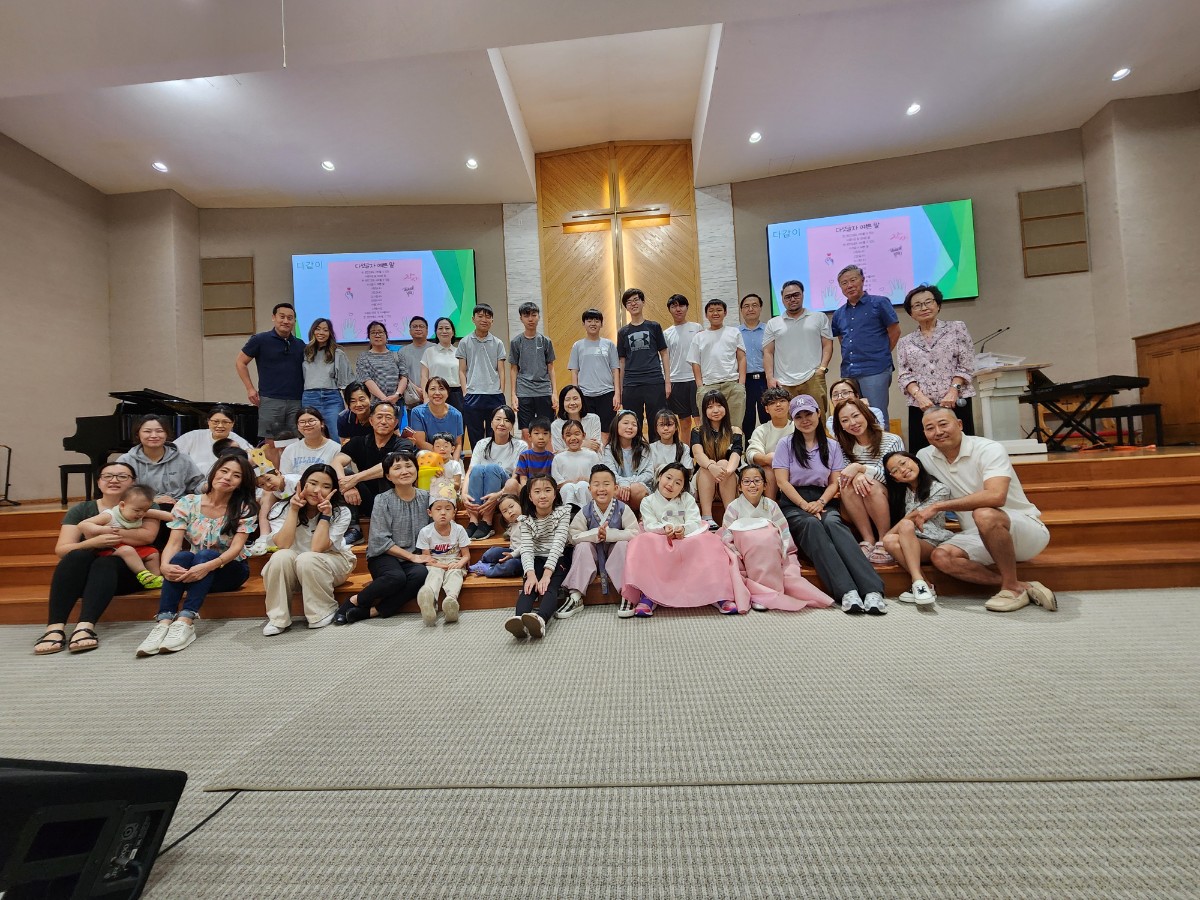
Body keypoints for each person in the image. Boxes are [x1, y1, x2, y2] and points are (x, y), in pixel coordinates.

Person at [915, 407, 1056, 613]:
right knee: (942, 557)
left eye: (943, 424)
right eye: (930, 428)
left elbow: (995, 496)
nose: (938, 432)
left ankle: (1011, 588)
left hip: (1022, 528)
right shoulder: (925, 456)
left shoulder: (988, 448)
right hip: (976, 534)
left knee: (984, 513)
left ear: (960, 424)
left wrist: (938, 506)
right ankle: (1021, 586)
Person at [773, 395, 887, 615]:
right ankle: (846, 591)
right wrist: (805, 505)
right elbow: (782, 482)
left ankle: (872, 590)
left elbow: (835, 482)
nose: (805, 420)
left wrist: (821, 502)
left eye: (809, 414)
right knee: (812, 525)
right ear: (793, 420)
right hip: (794, 501)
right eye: (799, 416)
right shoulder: (785, 444)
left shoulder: (832, 445)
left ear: (818, 414)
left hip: (824, 498)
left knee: (834, 523)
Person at [136, 455, 257, 656]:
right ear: (214, 472)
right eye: (224, 471)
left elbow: (236, 548)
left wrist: (207, 566)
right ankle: (164, 622)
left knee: (206, 555)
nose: (227, 477)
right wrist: (164, 566)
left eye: (236, 475)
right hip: (195, 569)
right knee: (181, 558)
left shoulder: (245, 507)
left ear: (241, 483)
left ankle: (185, 621)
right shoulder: (188, 502)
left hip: (230, 569)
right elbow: (174, 543)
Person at [35, 462, 151, 655]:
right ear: (98, 482)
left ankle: (85, 627)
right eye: (107, 476)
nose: (114, 480)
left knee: (105, 562)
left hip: (129, 573)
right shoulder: (82, 510)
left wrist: (104, 533)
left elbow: (146, 537)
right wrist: (93, 542)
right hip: (88, 577)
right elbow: (62, 549)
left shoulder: (144, 504)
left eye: (122, 476)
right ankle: (54, 628)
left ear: (133, 482)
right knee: (77, 555)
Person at [621, 463, 740, 617]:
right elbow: (650, 524)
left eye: (678, 482)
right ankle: (649, 595)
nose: (671, 484)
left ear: (683, 487)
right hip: (659, 537)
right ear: (659, 477)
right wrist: (664, 529)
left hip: (686, 536)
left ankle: (718, 593)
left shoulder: (687, 499)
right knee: (642, 541)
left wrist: (683, 529)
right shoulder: (648, 501)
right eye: (668, 478)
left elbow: (694, 521)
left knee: (711, 542)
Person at [260, 463, 356, 636]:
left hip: (333, 562)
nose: (317, 490)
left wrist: (326, 515)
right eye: (312, 483)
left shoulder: (341, 512)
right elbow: (283, 544)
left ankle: (323, 610)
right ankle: (277, 618)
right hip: (295, 567)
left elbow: (317, 548)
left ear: (333, 490)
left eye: (326, 486)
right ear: (302, 483)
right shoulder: (280, 508)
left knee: (308, 558)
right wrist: (293, 510)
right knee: (280, 556)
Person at [721, 465, 833, 612]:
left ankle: (768, 590)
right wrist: (735, 551)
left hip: (769, 549)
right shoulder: (733, 507)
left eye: (757, 480)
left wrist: (784, 548)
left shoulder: (772, 506)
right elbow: (727, 534)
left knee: (769, 540)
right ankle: (758, 593)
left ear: (765, 485)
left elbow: (783, 530)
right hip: (744, 550)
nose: (752, 485)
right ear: (740, 487)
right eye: (747, 481)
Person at [335, 451, 430, 624]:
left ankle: (373, 611)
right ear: (388, 476)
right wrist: (411, 557)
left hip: (414, 555)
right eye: (397, 468)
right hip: (384, 554)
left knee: (421, 574)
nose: (405, 471)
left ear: (417, 470)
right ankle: (354, 601)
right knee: (396, 577)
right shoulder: (382, 500)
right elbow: (380, 540)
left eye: (409, 466)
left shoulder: (426, 497)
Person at [896, 284, 976, 453]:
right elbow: (904, 375)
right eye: (917, 305)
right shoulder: (905, 342)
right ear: (911, 313)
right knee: (923, 453)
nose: (924, 308)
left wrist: (953, 391)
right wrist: (920, 397)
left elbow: (966, 363)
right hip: (921, 406)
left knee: (962, 449)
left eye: (928, 302)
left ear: (938, 305)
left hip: (956, 400)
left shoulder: (956, 329)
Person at [833, 397, 906, 565]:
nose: (852, 423)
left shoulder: (892, 440)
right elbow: (841, 476)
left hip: (889, 497)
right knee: (847, 485)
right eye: (845, 420)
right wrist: (858, 474)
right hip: (855, 502)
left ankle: (883, 539)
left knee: (870, 485)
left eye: (855, 415)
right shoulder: (840, 446)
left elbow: (894, 476)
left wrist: (861, 469)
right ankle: (868, 539)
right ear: (840, 425)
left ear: (866, 414)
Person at [559, 464, 638, 618]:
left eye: (606, 484)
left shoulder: (622, 509)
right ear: (589, 489)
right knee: (582, 546)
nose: (601, 489)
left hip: (616, 556)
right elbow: (572, 536)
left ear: (615, 488)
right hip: (592, 558)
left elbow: (635, 532)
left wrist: (610, 535)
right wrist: (594, 534)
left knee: (623, 545)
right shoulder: (585, 511)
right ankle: (575, 595)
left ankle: (627, 593)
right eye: (596, 484)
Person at [503, 475, 573, 640]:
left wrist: (547, 574)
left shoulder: (563, 513)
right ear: (530, 496)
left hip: (558, 557)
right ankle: (519, 620)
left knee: (549, 588)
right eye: (537, 492)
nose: (543, 495)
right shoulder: (526, 520)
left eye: (547, 490)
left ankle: (540, 620)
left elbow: (558, 544)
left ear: (555, 494)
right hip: (536, 558)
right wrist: (530, 574)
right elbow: (527, 548)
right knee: (529, 588)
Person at [333, 403, 414, 544]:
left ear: (395, 423)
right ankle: (354, 529)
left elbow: (389, 466)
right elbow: (336, 462)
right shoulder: (359, 441)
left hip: (394, 501)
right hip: (366, 500)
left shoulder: (403, 444)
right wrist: (346, 485)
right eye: (379, 417)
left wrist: (355, 479)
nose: (383, 421)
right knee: (343, 473)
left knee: (388, 475)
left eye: (388, 417)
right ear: (371, 420)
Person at [236, 302, 305, 468]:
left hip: (296, 400)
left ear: (294, 321)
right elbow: (240, 362)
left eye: (290, 318)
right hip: (270, 399)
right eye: (282, 317)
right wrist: (250, 388)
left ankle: (291, 477)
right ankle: (276, 477)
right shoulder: (260, 340)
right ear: (274, 318)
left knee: (294, 442)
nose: (286, 321)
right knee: (272, 442)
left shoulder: (300, 344)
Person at [881, 450, 953, 607]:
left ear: (915, 461)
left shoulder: (939, 489)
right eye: (895, 471)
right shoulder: (902, 492)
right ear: (895, 478)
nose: (903, 470)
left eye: (903, 463)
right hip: (908, 540)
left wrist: (884, 538)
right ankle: (923, 583)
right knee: (891, 541)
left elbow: (916, 516)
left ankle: (919, 582)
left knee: (903, 526)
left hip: (932, 541)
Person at [830, 265, 901, 423]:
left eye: (853, 280)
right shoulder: (838, 313)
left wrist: (881, 353)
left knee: (876, 415)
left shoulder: (880, 303)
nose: (849, 285)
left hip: (875, 369)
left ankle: (882, 441)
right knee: (851, 415)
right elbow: (842, 339)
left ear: (862, 280)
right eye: (844, 283)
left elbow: (895, 331)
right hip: (849, 371)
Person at [76, 483, 171, 590]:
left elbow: (161, 515)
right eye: (137, 510)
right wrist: (101, 529)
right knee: (127, 550)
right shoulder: (109, 515)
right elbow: (83, 525)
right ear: (122, 505)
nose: (141, 514)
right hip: (108, 548)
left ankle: (155, 579)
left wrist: (178, 517)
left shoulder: (141, 512)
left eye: (145, 510)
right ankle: (143, 574)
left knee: (153, 553)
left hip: (131, 547)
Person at [763, 280, 833, 416]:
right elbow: (768, 352)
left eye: (796, 295)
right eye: (788, 297)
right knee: (788, 421)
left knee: (818, 418)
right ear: (782, 299)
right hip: (783, 381)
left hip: (813, 377)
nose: (792, 299)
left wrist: (822, 368)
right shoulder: (773, 323)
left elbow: (827, 344)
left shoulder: (819, 317)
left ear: (802, 295)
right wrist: (770, 378)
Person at [462, 406, 527, 540]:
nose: (502, 423)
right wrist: (463, 494)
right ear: (491, 423)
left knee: (492, 468)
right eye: (498, 419)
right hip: (483, 492)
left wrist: (498, 494)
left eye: (507, 420)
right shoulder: (482, 444)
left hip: (506, 490)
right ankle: (473, 521)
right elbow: (470, 471)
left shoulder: (520, 445)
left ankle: (487, 521)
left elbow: (515, 477)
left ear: (512, 426)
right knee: (477, 469)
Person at [117, 415, 205, 510]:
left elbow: (196, 485)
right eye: (147, 431)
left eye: (159, 431)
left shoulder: (183, 459)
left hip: (180, 508)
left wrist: (208, 486)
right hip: (141, 509)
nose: (154, 435)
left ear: (167, 434)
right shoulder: (126, 461)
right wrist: (152, 500)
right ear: (138, 434)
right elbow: (120, 491)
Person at [415, 484, 471, 626]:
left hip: (455, 561)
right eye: (438, 509)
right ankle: (430, 601)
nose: (443, 513)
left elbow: (466, 555)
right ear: (430, 512)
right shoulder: (425, 532)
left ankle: (451, 601)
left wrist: (459, 564)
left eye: (448, 509)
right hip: (435, 562)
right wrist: (441, 565)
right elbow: (427, 559)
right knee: (434, 573)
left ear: (454, 512)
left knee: (455, 574)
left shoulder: (459, 530)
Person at [687, 298, 747, 428]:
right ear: (706, 314)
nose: (715, 313)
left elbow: (741, 358)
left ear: (725, 313)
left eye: (719, 310)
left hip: (732, 385)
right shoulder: (699, 337)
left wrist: (741, 384)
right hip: (708, 386)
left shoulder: (734, 332)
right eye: (711, 310)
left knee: (735, 427)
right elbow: (695, 362)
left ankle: (736, 444)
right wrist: (700, 387)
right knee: (709, 428)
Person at [616, 288, 670, 431]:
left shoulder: (654, 326)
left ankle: (656, 446)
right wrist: (621, 388)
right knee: (633, 423)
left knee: (657, 421)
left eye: (636, 300)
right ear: (626, 307)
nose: (633, 304)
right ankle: (637, 446)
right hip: (631, 383)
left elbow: (664, 353)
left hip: (654, 381)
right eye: (629, 302)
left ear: (643, 302)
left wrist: (667, 382)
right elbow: (622, 361)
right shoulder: (623, 332)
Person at [690, 391, 744, 529]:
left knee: (723, 463)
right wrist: (711, 467)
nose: (715, 410)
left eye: (719, 405)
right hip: (704, 479)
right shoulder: (697, 431)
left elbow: (736, 454)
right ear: (704, 411)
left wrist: (727, 471)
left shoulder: (735, 430)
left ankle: (730, 516)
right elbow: (698, 454)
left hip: (728, 479)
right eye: (710, 407)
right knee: (709, 465)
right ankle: (707, 517)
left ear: (725, 407)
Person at [456, 303, 507, 449]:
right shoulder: (465, 342)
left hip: (494, 394)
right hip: (473, 395)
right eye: (480, 316)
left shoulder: (498, 343)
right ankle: (478, 461)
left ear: (492, 321)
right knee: (475, 434)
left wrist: (501, 391)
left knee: (495, 433)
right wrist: (465, 392)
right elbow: (462, 370)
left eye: (488, 317)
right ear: (473, 319)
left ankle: (494, 460)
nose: (484, 320)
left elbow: (501, 370)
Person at [568, 308, 621, 442]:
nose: (593, 323)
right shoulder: (577, 346)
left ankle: (605, 455)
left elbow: (615, 370)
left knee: (607, 432)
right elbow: (574, 371)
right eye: (589, 320)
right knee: (587, 431)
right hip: (585, 395)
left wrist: (617, 393)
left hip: (607, 393)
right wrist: (575, 395)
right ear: (584, 323)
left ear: (601, 324)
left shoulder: (609, 344)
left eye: (596, 320)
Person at [509, 302, 558, 441]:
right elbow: (513, 369)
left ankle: (547, 456)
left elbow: (551, 367)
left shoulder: (546, 341)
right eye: (526, 316)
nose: (530, 319)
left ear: (538, 317)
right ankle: (529, 455)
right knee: (526, 432)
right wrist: (513, 394)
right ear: (521, 318)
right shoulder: (516, 342)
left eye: (534, 315)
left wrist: (554, 392)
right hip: (524, 391)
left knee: (547, 430)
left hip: (544, 391)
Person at [301, 318, 353, 441]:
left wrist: (350, 405)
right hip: (309, 397)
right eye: (318, 329)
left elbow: (346, 382)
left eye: (325, 330)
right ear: (312, 331)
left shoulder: (338, 353)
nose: (321, 333)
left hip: (332, 398)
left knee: (337, 436)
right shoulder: (305, 352)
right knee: (311, 436)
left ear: (330, 333)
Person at [744, 387, 794, 501]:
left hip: (794, 469)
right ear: (766, 409)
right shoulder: (761, 430)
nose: (778, 405)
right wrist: (767, 459)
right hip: (770, 471)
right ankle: (770, 506)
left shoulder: (797, 427)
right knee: (767, 469)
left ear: (789, 405)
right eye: (772, 403)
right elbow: (751, 453)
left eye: (782, 401)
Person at [599, 409, 654, 513]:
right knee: (614, 491)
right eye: (625, 423)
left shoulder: (644, 448)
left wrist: (628, 483)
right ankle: (622, 517)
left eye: (634, 424)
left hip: (639, 487)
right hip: (618, 485)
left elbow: (649, 474)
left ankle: (639, 514)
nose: (630, 427)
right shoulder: (609, 449)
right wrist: (622, 483)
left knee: (636, 489)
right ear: (616, 425)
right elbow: (610, 473)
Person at [663, 294, 702, 437]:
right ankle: (685, 451)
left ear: (687, 307)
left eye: (681, 305)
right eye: (674, 306)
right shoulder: (666, 333)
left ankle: (703, 450)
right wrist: (666, 382)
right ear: (669, 310)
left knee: (700, 420)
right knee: (684, 422)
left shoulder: (697, 327)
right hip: (676, 381)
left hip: (695, 379)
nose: (678, 309)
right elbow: (664, 359)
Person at [175, 405, 254, 473]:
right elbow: (172, 452)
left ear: (232, 423)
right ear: (208, 422)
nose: (220, 426)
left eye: (225, 422)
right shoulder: (194, 435)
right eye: (215, 421)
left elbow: (253, 459)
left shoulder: (238, 441)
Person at [467, 495, 525, 578]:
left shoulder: (527, 522)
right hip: (512, 551)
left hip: (525, 557)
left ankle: (489, 569)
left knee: (510, 565)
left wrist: (513, 554)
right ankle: (483, 563)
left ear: (520, 504)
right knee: (492, 552)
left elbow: (527, 545)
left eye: (511, 506)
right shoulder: (512, 524)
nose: (509, 511)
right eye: (505, 511)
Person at [356, 320, 410, 409]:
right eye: (373, 333)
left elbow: (404, 377)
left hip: (397, 402)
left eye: (380, 332)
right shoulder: (363, 357)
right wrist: (385, 400)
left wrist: (397, 395)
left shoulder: (397, 355)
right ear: (369, 337)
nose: (377, 335)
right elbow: (366, 379)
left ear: (386, 335)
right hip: (373, 404)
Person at [408, 376, 464, 459]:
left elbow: (458, 444)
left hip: (450, 456)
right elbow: (420, 443)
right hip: (427, 456)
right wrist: (443, 455)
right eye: (433, 389)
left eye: (441, 389)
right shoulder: (417, 412)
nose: (437, 393)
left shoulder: (457, 414)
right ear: (427, 393)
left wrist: (454, 462)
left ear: (447, 393)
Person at [552, 419, 601, 509]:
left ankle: (585, 512)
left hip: (588, 490)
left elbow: (598, 477)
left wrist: (587, 480)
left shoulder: (592, 455)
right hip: (566, 491)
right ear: (563, 437)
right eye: (568, 435)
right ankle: (567, 512)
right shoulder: (558, 458)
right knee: (567, 487)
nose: (573, 438)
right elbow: (556, 480)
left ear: (583, 435)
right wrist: (570, 483)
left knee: (583, 485)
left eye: (577, 434)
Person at [738, 293, 769, 435]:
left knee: (767, 415)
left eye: (754, 305)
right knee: (746, 418)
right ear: (741, 310)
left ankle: (770, 445)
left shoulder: (769, 330)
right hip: (744, 380)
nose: (750, 309)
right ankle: (748, 447)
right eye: (746, 306)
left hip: (765, 379)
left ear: (760, 308)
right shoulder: (735, 333)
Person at [279, 407, 341, 475]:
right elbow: (285, 477)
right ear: (297, 427)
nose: (307, 424)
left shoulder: (336, 449)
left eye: (311, 421)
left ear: (322, 424)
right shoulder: (290, 450)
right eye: (302, 422)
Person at [421, 316, 463, 411]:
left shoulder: (459, 352)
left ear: (453, 332)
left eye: (447, 328)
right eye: (440, 328)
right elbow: (424, 377)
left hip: (457, 395)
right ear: (436, 332)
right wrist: (426, 396)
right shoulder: (429, 352)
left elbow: (464, 375)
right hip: (436, 394)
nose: (444, 331)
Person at [551, 385, 602, 453]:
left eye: (575, 398)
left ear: (582, 400)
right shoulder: (556, 425)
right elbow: (558, 453)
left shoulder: (594, 419)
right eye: (567, 399)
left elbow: (596, 447)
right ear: (562, 403)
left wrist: (568, 448)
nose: (572, 403)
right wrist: (584, 444)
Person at [646, 408, 693, 481]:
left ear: (676, 427)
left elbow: (688, 471)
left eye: (669, 424)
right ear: (656, 428)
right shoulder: (650, 448)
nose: (665, 428)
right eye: (661, 425)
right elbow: (648, 474)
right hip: (657, 484)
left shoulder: (684, 447)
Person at [400, 315, 431, 413]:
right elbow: (402, 375)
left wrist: (427, 391)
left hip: (433, 395)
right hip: (413, 397)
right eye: (415, 326)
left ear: (427, 331)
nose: (418, 329)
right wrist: (417, 389)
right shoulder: (402, 351)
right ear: (410, 331)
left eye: (421, 326)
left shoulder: (434, 348)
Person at [513, 418, 555, 489]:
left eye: (545, 433)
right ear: (530, 437)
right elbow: (523, 478)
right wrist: (528, 491)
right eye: (536, 433)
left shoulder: (552, 457)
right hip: (528, 489)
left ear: (550, 437)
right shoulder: (524, 456)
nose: (541, 437)